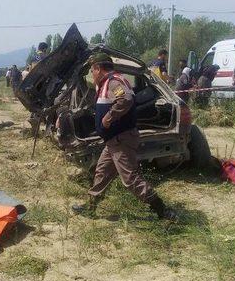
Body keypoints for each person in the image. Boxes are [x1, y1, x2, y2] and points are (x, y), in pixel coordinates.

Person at [71, 53, 178, 220]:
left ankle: (163, 211)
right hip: (113, 141)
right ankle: (91, 208)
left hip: (121, 139)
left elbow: (126, 99)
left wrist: (108, 118)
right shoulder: (106, 84)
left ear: (99, 68)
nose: (92, 74)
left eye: (92, 70)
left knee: (130, 179)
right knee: (102, 172)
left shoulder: (114, 81)